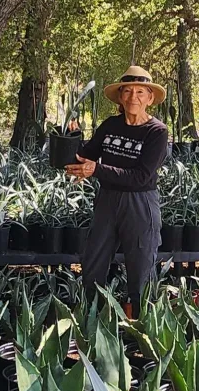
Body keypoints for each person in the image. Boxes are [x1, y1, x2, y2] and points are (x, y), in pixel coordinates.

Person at [64, 65, 170, 305]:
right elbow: (85, 155)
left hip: (140, 202)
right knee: (93, 261)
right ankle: (93, 321)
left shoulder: (157, 132)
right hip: (108, 200)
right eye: (128, 91)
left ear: (150, 98)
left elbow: (141, 176)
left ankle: (141, 325)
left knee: (141, 265)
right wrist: (70, 139)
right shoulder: (110, 125)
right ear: (121, 96)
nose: (134, 97)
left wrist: (97, 169)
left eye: (140, 92)